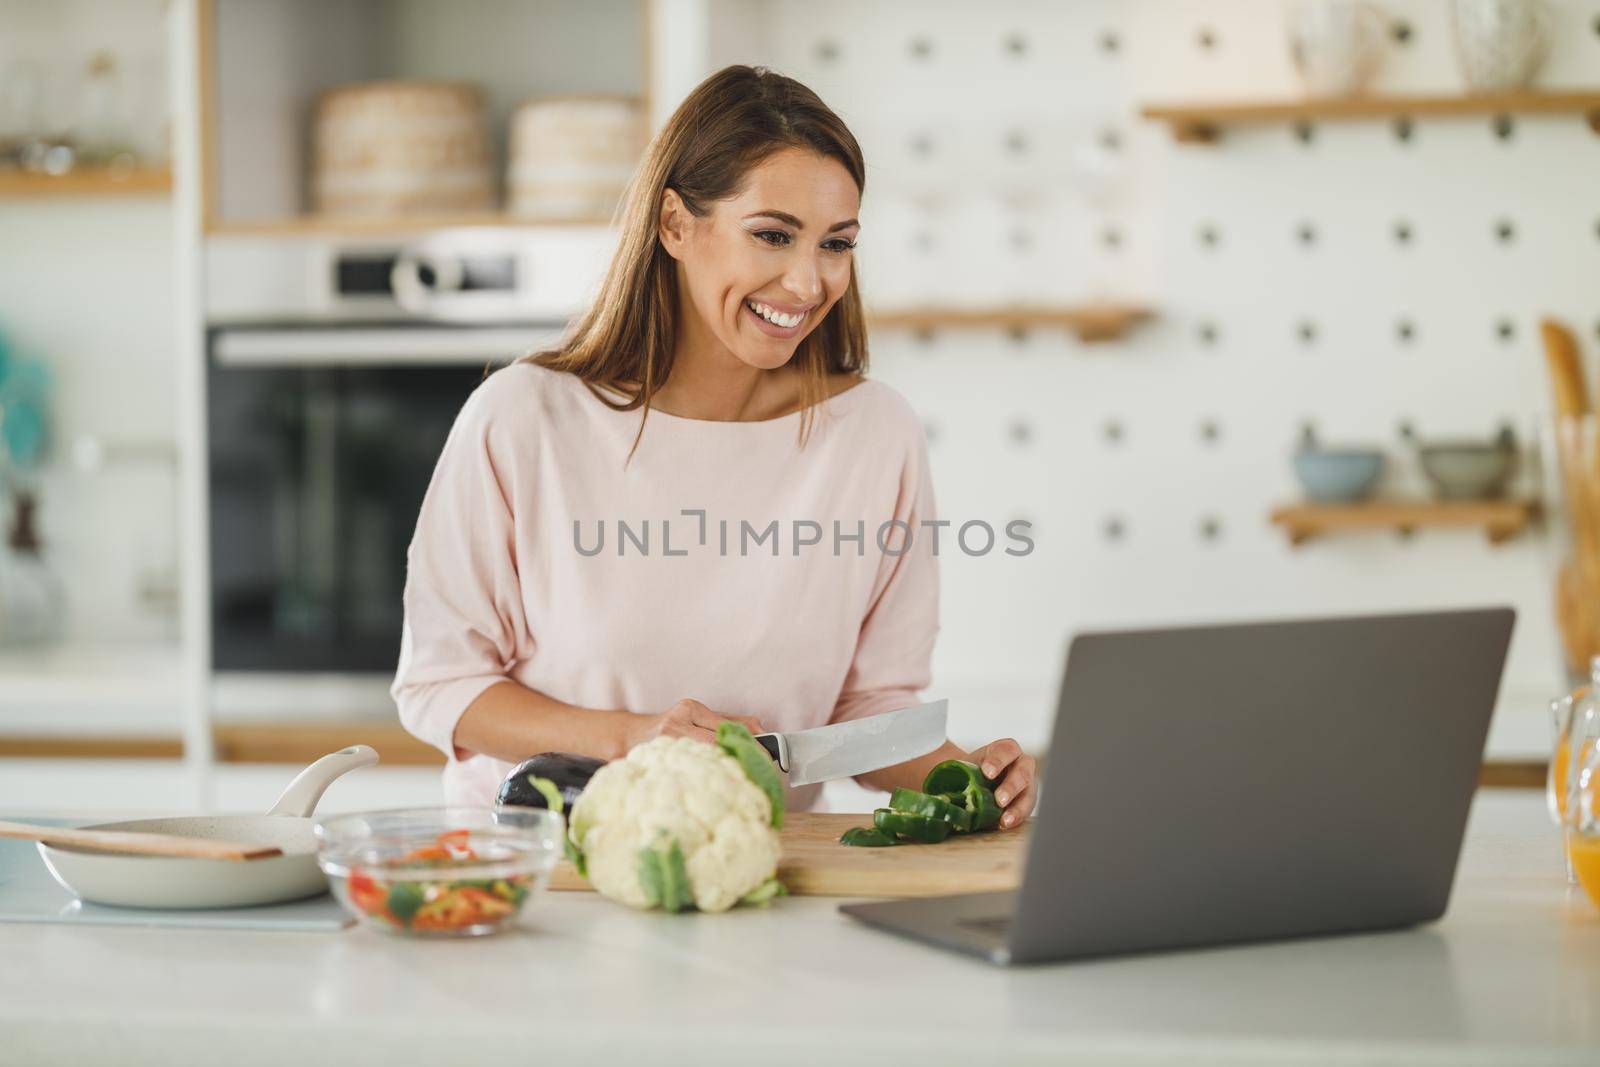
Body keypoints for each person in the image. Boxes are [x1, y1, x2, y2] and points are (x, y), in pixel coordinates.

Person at [392, 65, 1036, 827]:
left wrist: (970, 776)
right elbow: (441, 687)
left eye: (837, 243)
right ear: (673, 224)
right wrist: (633, 738)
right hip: (543, 870)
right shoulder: (523, 418)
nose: (807, 282)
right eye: (772, 235)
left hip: (765, 867)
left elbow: (868, 709)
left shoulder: (875, 434)